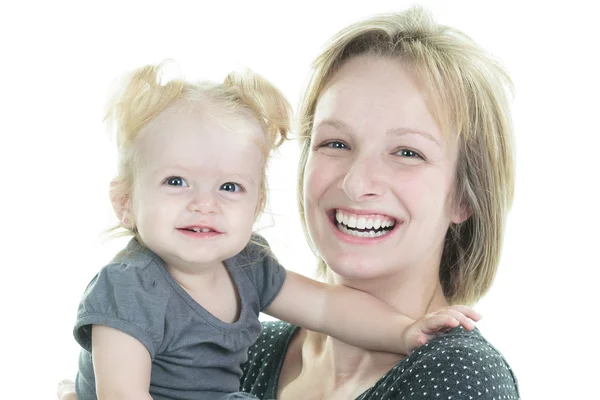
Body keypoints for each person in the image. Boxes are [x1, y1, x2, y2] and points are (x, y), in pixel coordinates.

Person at [65, 61, 479, 400]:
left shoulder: (246, 265)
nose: (204, 203)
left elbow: (326, 307)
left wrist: (403, 333)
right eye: (176, 181)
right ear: (124, 203)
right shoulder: (129, 289)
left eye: (230, 187)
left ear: (257, 205)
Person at [238, 5, 520, 400]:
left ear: (464, 197)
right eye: (335, 143)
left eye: (407, 152)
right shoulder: (243, 346)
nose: (356, 184)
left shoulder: (460, 375)